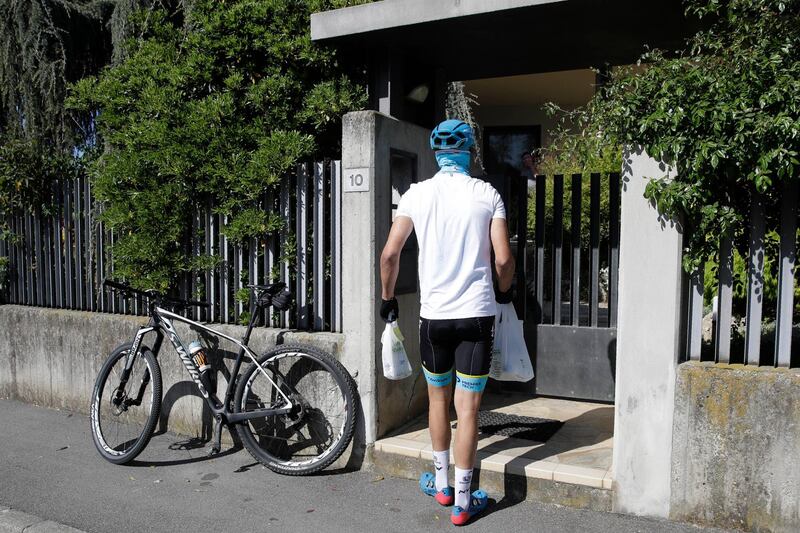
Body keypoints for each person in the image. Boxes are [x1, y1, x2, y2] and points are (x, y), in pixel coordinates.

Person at [379, 119, 515, 526]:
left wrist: (388, 302)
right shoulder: (487, 194)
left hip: (433, 318)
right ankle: (462, 502)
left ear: (438, 154)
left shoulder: (416, 194)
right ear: (469, 151)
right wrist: (504, 293)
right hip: (476, 317)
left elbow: (390, 255)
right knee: (468, 409)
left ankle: (440, 485)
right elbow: (504, 260)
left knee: (438, 400)